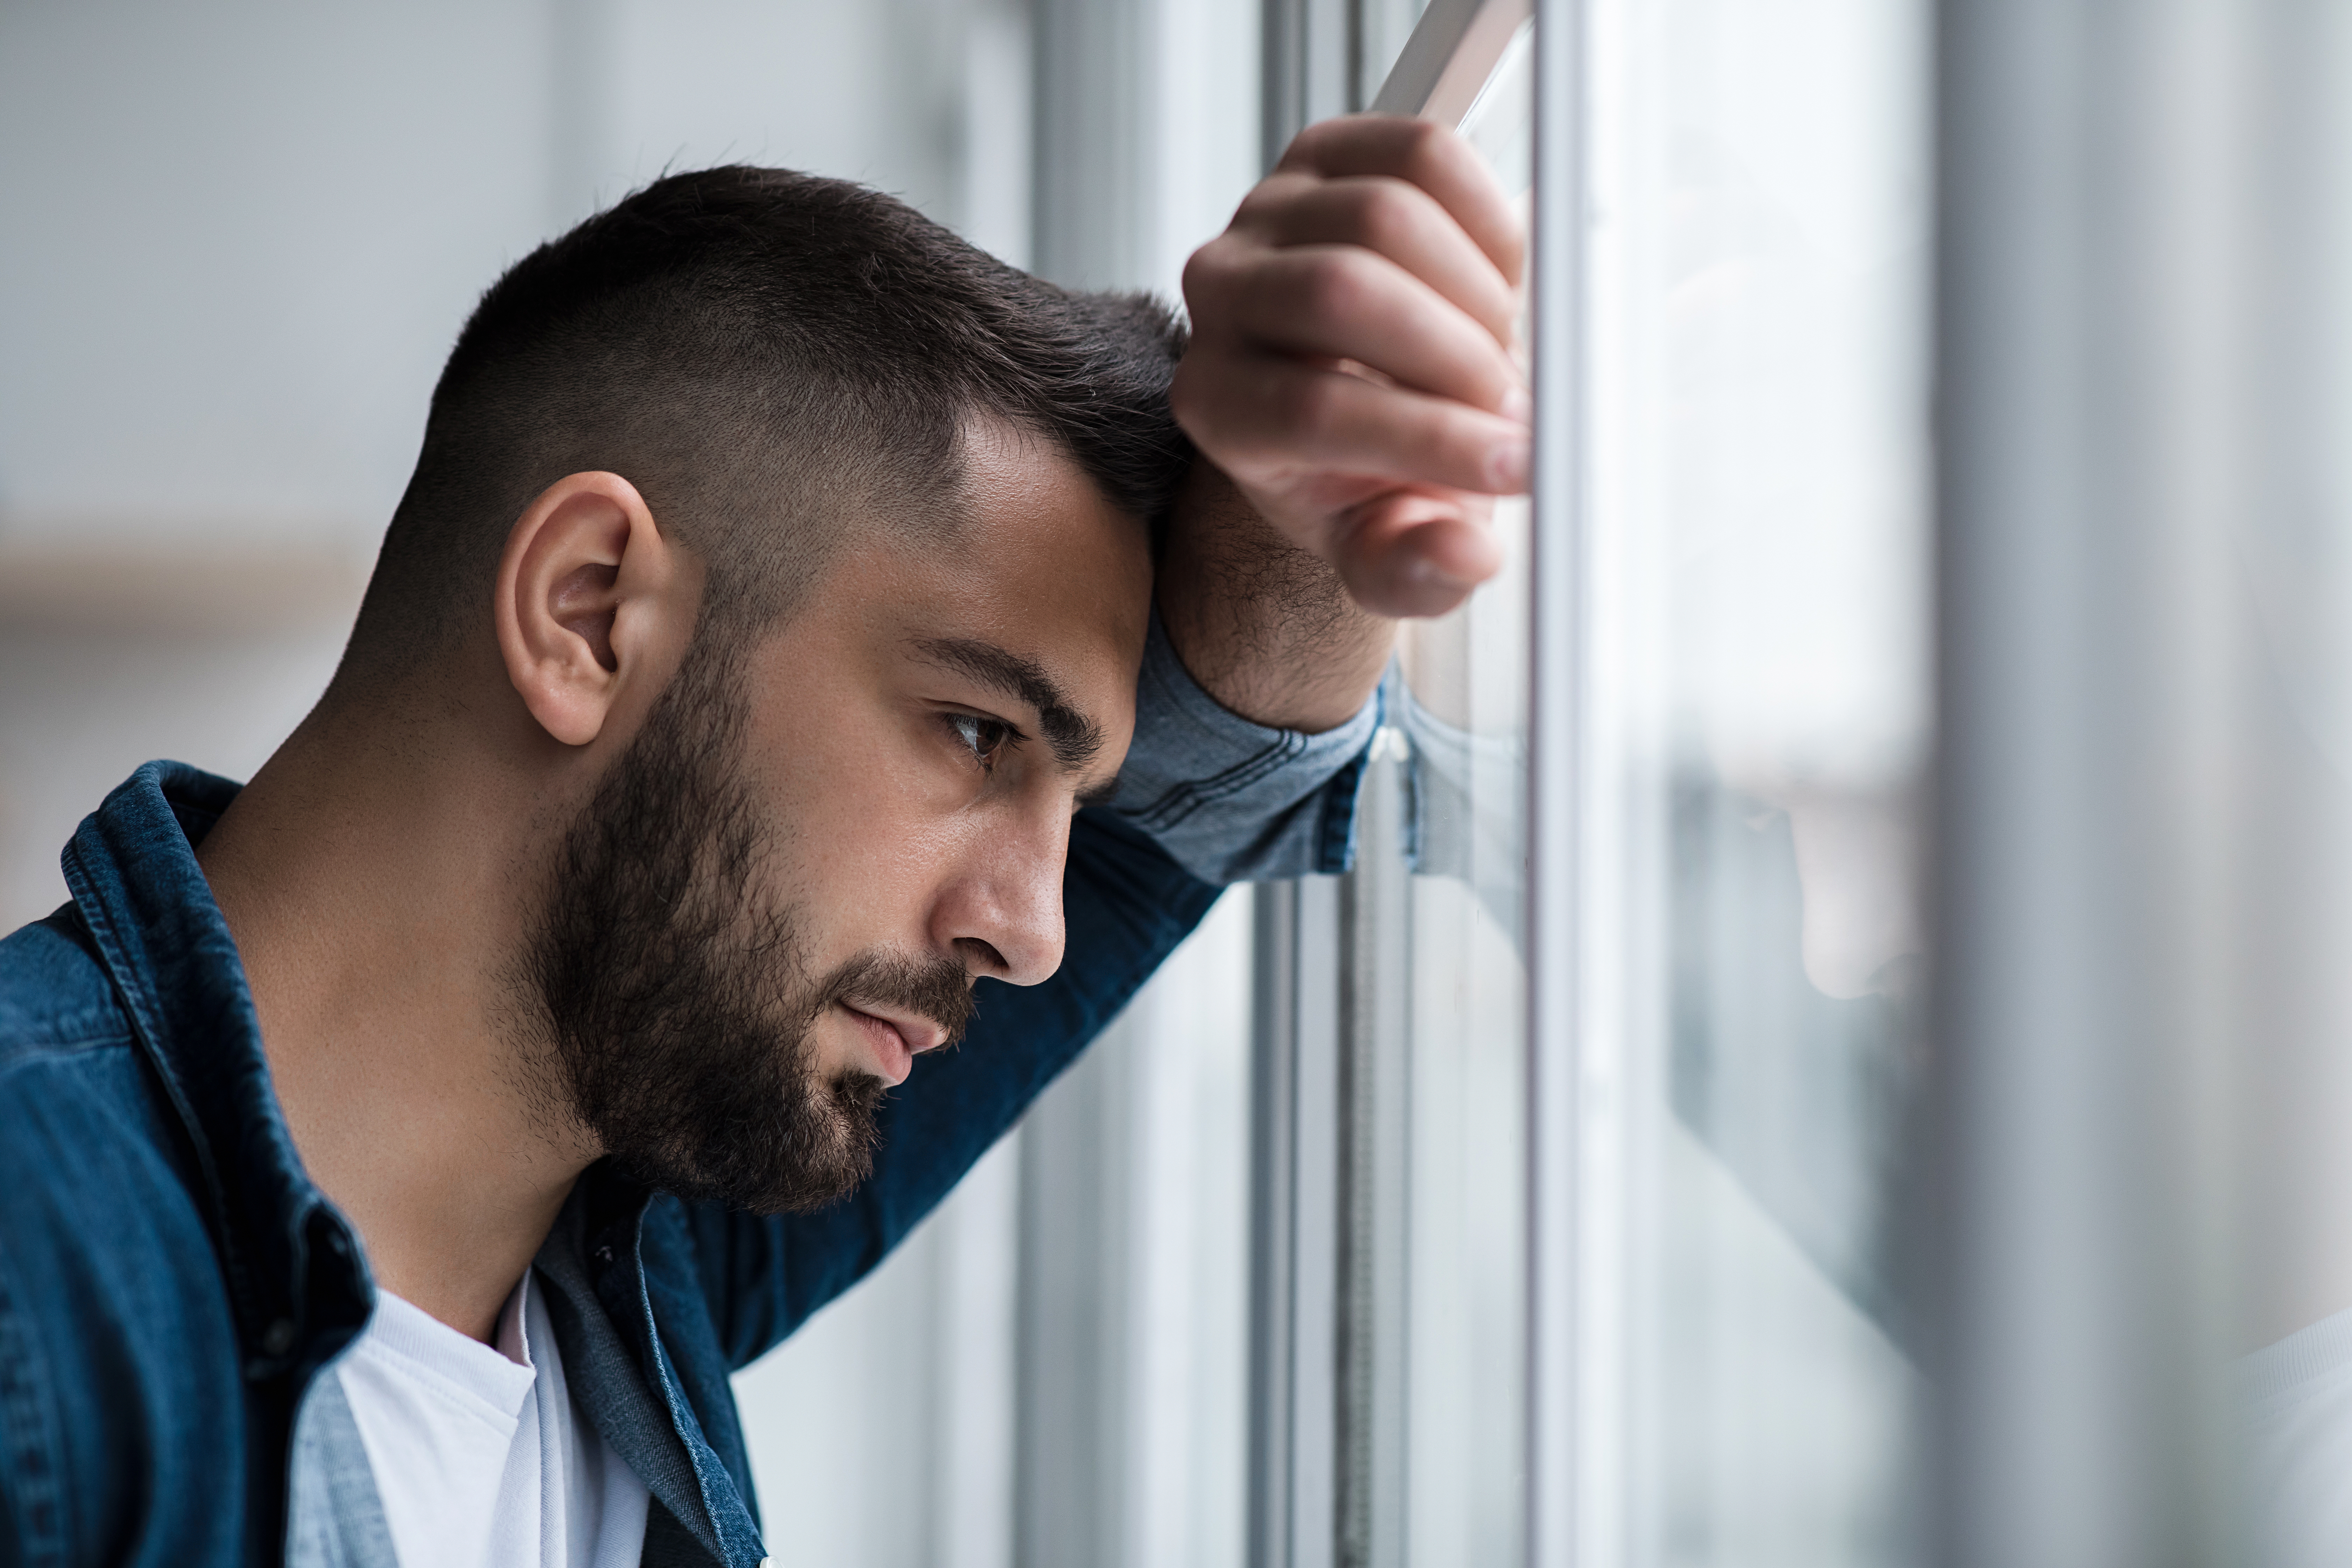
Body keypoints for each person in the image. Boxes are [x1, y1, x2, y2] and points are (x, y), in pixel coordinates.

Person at [0, 114, 1525, 1568]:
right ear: (590, 612)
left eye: (1067, 791)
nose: (1037, 929)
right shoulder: (36, 1283)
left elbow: (1203, 787)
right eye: (978, 731)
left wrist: (1305, 506)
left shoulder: (632, 1235)